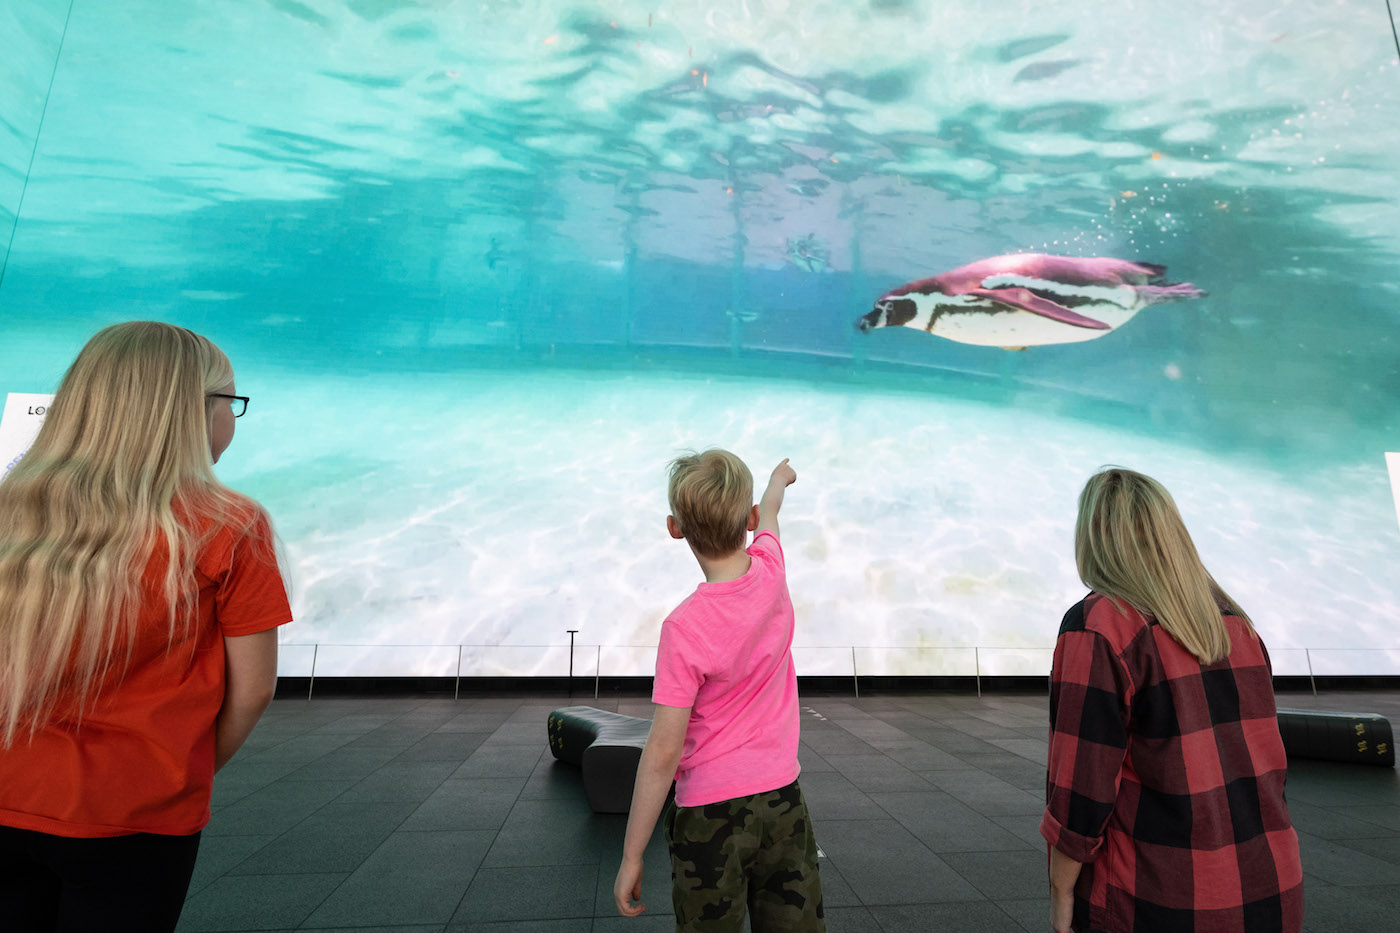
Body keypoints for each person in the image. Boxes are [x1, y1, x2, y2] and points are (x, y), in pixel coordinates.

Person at [0, 321, 293, 932]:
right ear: (185, 412)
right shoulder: (230, 524)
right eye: (230, 401)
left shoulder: (13, 509)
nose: (232, 418)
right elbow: (255, 689)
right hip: (135, 814)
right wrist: (183, 771)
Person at [1042, 468, 1303, 933]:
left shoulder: (1101, 624)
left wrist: (1061, 891)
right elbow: (1267, 769)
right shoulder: (1237, 625)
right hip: (1272, 889)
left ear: (1095, 536)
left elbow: (1082, 790)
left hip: (1159, 900)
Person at [613, 449, 824, 932]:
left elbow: (664, 751)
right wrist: (779, 478)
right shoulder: (771, 568)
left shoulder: (684, 628)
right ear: (748, 520)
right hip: (782, 800)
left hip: (709, 818)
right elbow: (771, 509)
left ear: (675, 528)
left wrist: (631, 854)